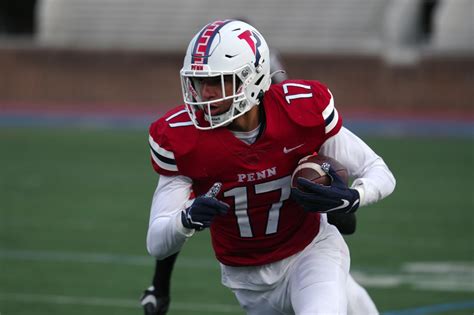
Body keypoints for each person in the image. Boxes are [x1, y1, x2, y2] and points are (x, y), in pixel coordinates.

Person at [145, 19, 395, 314]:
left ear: (250, 79)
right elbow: (157, 242)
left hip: (310, 251)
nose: (205, 94)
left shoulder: (299, 112)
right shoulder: (181, 138)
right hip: (247, 279)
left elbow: (379, 171)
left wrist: (354, 198)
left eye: (217, 82)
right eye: (200, 82)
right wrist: (185, 220)